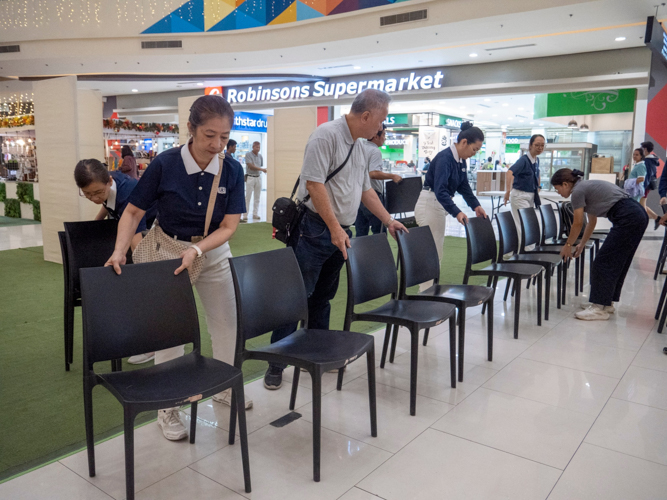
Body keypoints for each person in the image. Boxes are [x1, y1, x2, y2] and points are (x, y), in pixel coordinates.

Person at [105, 95, 252, 442]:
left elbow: (230, 226)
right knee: (171, 334)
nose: (217, 145)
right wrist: (118, 249)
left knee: (227, 324)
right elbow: (132, 212)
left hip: (212, 251)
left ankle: (224, 387)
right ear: (190, 129)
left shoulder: (231, 168)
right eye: (209, 135)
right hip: (169, 251)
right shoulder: (165, 164)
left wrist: (198, 248)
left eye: (224, 137)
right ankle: (167, 406)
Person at [263, 89, 408, 390]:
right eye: (381, 121)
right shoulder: (325, 136)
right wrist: (334, 227)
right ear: (366, 116)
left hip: (340, 233)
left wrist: (388, 220)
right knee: (297, 297)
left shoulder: (359, 145)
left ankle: (315, 355)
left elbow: (366, 190)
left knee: (323, 298)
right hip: (316, 229)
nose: (381, 128)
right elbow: (314, 184)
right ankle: (276, 362)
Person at [75, 160, 157, 365]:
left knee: (145, 290)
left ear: (109, 181)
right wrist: (94, 225)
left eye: (97, 193)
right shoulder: (104, 180)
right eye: (87, 194)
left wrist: (142, 274)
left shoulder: (129, 191)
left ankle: (153, 345)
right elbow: (107, 203)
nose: (94, 198)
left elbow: (136, 236)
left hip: (157, 229)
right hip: (140, 229)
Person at [551, 169, 648, 321]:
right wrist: (581, 245)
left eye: (557, 189)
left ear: (565, 184)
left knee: (603, 262)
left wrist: (568, 245)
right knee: (616, 262)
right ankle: (606, 303)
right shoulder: (585, 187)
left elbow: (577, 223)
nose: (558, 193)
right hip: (636, 214)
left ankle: (598, 307)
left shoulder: (577, 192)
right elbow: (592, 222)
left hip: (628, 217)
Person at [414, 121, 488, 289]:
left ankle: (429, 290)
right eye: (474, 149)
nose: (474, 154)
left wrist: (475, 206)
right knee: (432, 253)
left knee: (436, 251)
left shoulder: (461, 161)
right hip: (430, 203)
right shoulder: (445, 158)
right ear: (464, 142)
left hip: (437, 204)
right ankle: (425, 293)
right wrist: (456, 212)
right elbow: (440, 191)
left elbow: (463, 186)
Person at [354, 124, 403, 237]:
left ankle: (361, 255)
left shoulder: (360, 147)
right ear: (376, 136)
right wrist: (392, 176)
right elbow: (373, 173)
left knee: (361, 233)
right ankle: (380, 254)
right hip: (372, 194)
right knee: (380, 232)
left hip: (358, 195)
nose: (385, 137)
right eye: (384, 134)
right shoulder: (375, 151)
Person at [503, 134, 545, 242]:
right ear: (530, 145)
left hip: (530, 195)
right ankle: (523, 251)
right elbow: (509, 172)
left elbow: (537, 174)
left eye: (542, 145)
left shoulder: (536, 160)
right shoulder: (524, 160)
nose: (540, 148)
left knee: (527, 223)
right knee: (523, 224)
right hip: (520, 195)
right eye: (537, 145)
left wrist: (538, 187)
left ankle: (520, 250)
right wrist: (508, 191)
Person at [243, 141, 266, 221]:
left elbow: (258, 165)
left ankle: (255, 214)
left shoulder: (260, 156)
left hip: (258, 177)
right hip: (250, 177)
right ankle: (245, 214)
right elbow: (251, 166)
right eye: (256, 147)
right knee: (248, 197)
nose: (258, 149)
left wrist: (259, 169)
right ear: (253, 147)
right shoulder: (248, 155)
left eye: (259, 147)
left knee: (257, 197)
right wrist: (261, 169)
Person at [640, 141, 660, 227]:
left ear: (645, 149)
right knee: (641, 204)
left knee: (641, 205)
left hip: (645, 185)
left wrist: (642, 187)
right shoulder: (652, 160)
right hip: (647, 185)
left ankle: (644, 222)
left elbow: (647, 175)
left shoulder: (648, 161)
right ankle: (657, 218)